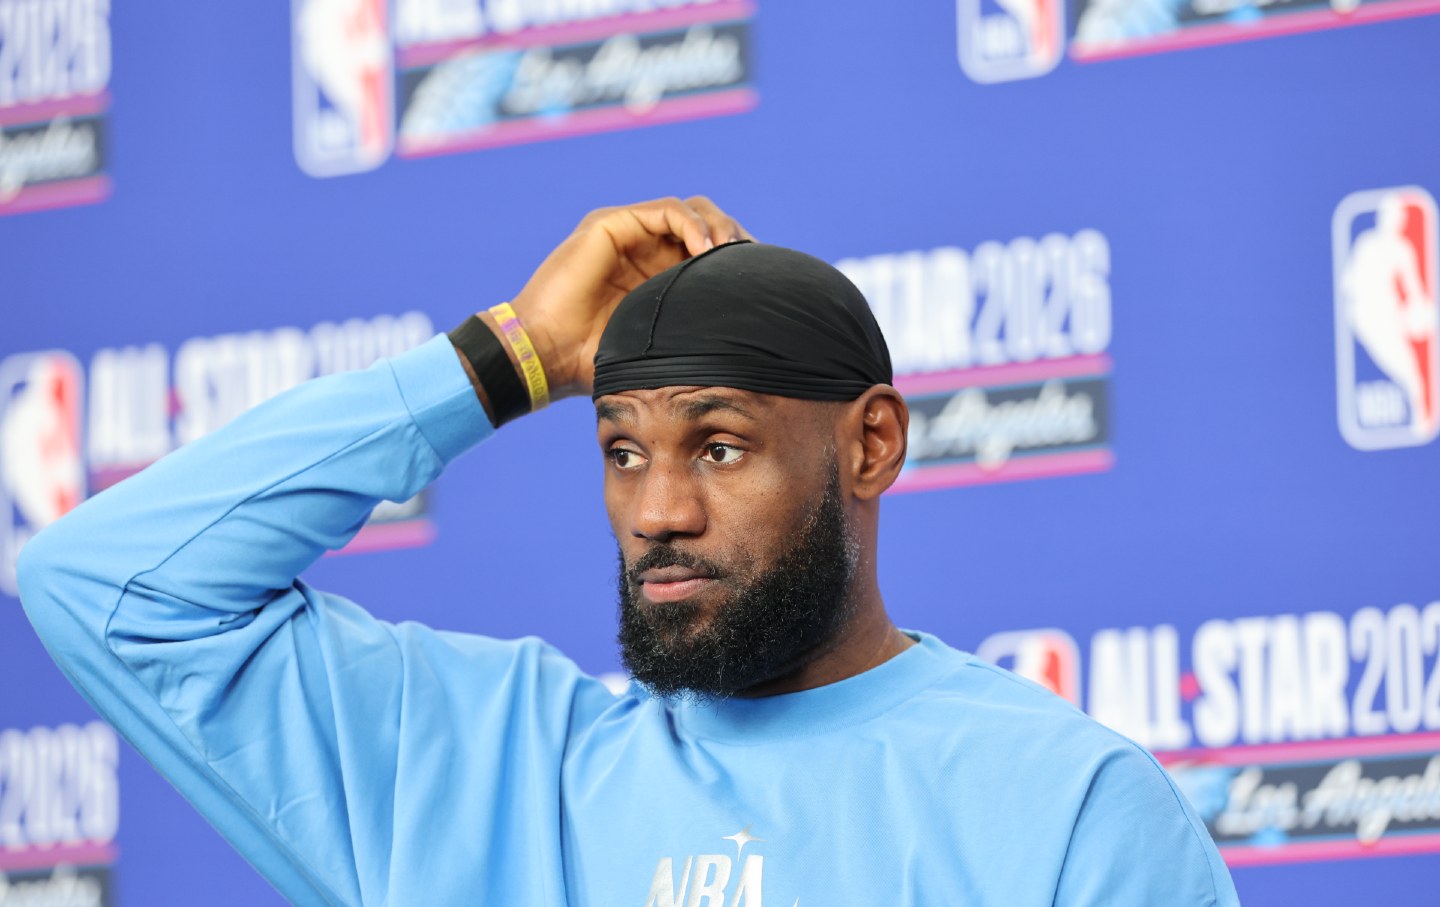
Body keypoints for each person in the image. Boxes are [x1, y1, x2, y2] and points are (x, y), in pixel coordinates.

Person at [19, 197, 1240, 906]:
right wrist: (507, 361)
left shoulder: (1066, 806)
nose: (657, 509)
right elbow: (103, 582)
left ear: (869, 446)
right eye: (619, 451)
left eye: (717, 448)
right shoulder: (482, 771)